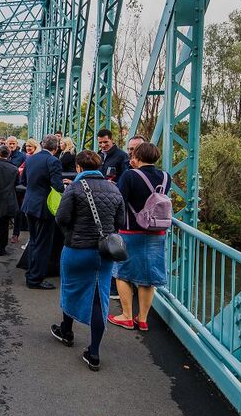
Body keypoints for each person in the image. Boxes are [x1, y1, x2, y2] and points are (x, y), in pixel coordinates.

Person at [53, 150, 125, 371]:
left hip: (76, 249)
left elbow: (62, 217)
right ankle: (93, 353)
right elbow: (119, 222)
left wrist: (71, 234)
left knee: (70, 289)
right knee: (98, 299)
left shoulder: (74, 187)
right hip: (103, 253)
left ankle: (67, 331)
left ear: (78, 167)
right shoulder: (114, 189)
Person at [109, 141, 170, 332]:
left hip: (131, 230)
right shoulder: (167, 178)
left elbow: (119, 201)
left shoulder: (129, 176)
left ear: (137, 156)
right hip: (157, 231)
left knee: (123, 273)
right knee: (148, 277)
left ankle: (126, 316)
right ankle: (142, 319)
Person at [20, 134, 65, 290]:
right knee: (43, 244)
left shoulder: (31, 158)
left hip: (29, 204)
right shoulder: (53, 161)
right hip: (44, 207)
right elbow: (58, 186)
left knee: (34, 241)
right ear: (56, 147)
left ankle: (31, 273)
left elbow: (23, 181)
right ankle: (35, 279)